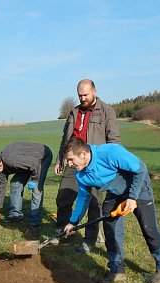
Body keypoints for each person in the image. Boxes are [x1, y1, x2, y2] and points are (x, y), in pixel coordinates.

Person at [62, 137, 160, 283]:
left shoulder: (110, 152)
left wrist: (132, 197)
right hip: (115, 193)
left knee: (149, 227)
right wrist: (73, 222)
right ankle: (117, 268)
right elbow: (83, 197)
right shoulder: (80, 173)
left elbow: (141, 169)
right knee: (110, 229)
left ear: (83, 154)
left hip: (138, 187)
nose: (69, 164)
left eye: (70, 159)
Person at [55, 79, 121, 253]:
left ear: (94, 91)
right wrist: (60, 159)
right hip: (72, 160)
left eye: (86, 94)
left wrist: (111, 164)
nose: (82, 98)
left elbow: (114, 141)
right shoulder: (74, 112)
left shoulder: (107, 111)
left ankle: (89, 240)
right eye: (80, 95)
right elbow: (65, 138)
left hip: (94, 163)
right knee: (64, 196)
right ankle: (63, 231)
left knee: (94, 203)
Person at [0, 142, 53, 238]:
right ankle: (15, 215)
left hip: (42, 157)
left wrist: (34, 180)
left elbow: (34, 164)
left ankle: (34, 223)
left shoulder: (12, 160)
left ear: (0, 164)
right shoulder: (1, 169)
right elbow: (1, 188)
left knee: (37, 189)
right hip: (26, 163)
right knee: (15, 184)